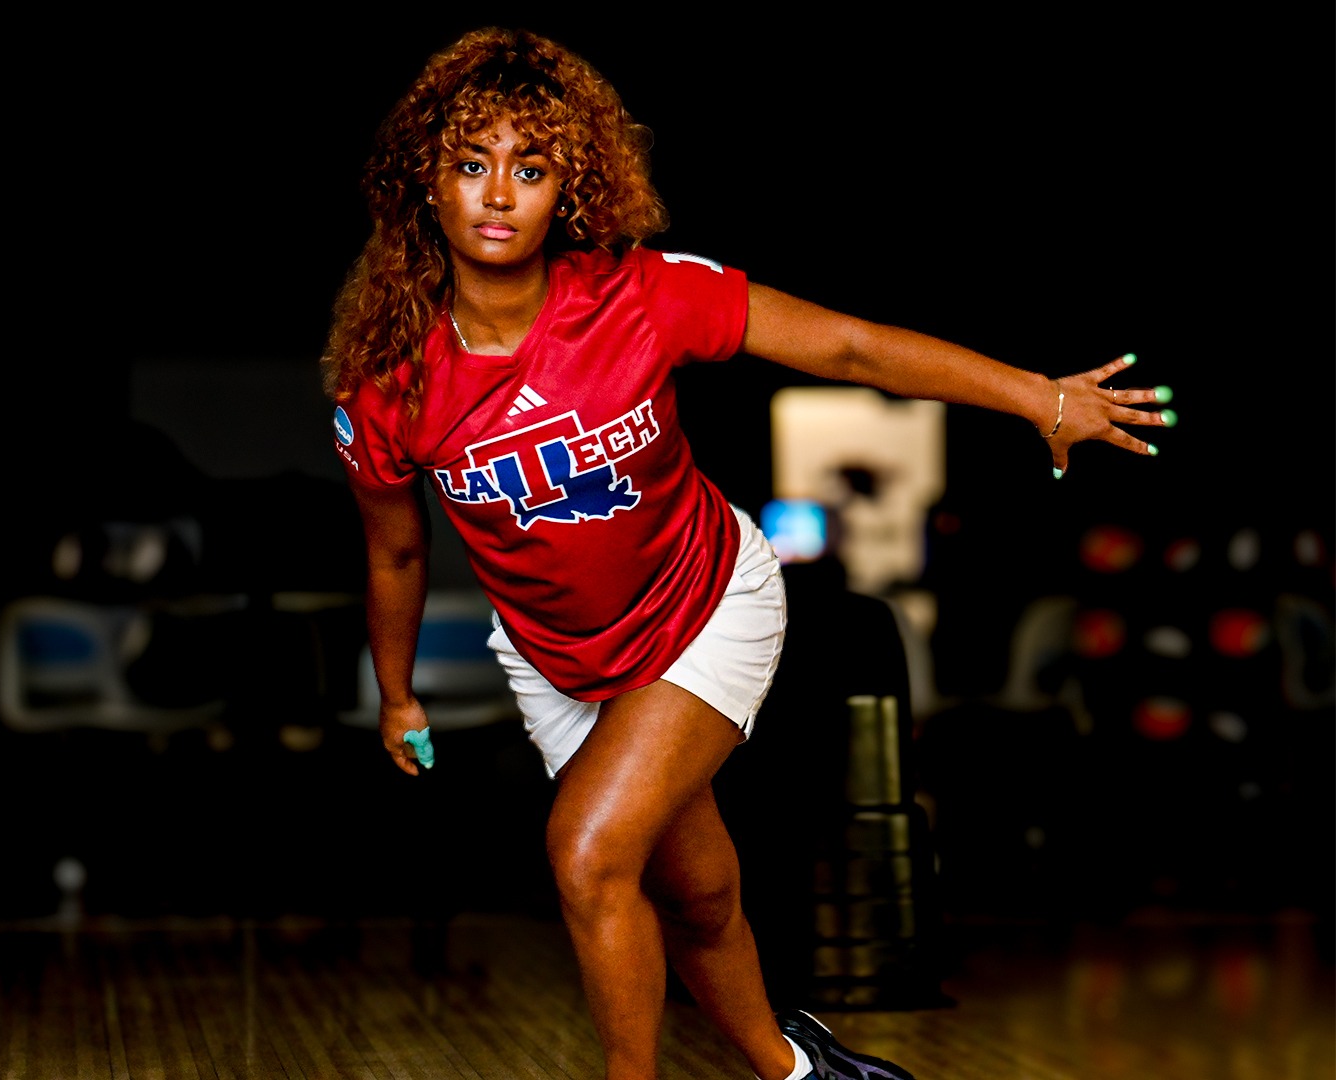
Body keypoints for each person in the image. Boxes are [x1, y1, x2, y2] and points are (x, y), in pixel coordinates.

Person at [322, 27, 1168, 1080]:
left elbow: (850, 346)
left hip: (705, 607)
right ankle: (805, 1074)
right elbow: (395, 555)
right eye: (472, 165)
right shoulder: (388, 384)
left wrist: (1038, 398)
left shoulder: (643, 296)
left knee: (587, 858)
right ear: (427, 186)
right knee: (698, 893)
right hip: (560, 661)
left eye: (530, 170)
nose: (499, 194)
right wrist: (399, 695)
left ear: (567, 191)